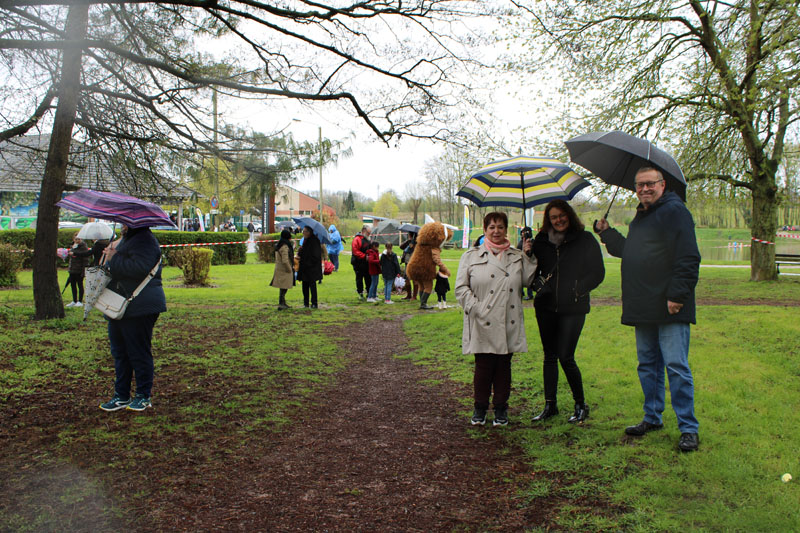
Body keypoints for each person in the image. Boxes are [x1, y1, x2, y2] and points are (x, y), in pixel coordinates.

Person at [594, 166, 701, 452]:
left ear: (663, 185)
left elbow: (688, 257)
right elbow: (632, 251)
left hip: (670, 304)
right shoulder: (642, 216)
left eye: (650, 184)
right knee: (648, 365)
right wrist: (607, 233)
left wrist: (677, 295)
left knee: (676, 366)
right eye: (640, 185)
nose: (644, 189)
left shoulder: (675, 212)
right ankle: (652, 417)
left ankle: (688, 428)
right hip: (643, 303)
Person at [455, 212, 536, 426]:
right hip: (481, 319)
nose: (496, 231)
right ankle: (480, 408)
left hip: (507, 318)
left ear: (506, 230)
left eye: (500, 227)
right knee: (483, 367)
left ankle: (501, 408)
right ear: (485, 230)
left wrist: (529, 256)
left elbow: (528, 281)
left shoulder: (516, 256)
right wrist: (477, 308)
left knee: (503, 367)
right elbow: (461, 288)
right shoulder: (471, 256)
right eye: (492, 227)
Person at [530, 200, 605, 424]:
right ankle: (550, 405)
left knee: (566, 356)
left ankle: (580, 404)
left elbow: (598, 272)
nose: (558, 220)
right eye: (553, 217)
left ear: (569, 215)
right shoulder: (541, 241)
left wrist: (578, 289)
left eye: (562, 215)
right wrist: (526, 252)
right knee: (549, 356)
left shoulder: (585, 240)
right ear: (548, 220)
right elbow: (529, 271)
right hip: (546, 306)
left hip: (573, 307)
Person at [99, 224, 166, 412]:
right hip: (121, 304)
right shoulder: (128, 239)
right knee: (120, 352)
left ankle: (143, 396)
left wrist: (114, 258)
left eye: (124, 221)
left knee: (138, 352)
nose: (122, 224)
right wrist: (108, 256)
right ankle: (121, 395)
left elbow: (139, 268)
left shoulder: (145, 240)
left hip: (140, 305)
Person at [296, 226, 323, 308]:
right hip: (305, 268)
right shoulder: (305, 240)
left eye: (304, 231)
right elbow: (304, 252)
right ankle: (306, 303)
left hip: (311, 268)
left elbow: (315, 255)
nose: (303, 233)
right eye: (303, 231)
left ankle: (314, 303)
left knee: (312, 285)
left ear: (309, 232)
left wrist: (308, 261)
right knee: (305, 286)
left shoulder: (314, 241)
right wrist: (300, 251)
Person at [270, 229, 295, 310]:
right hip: (284, 269)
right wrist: (289, 269)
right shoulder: (285, 246)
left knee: (283, 287)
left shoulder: (279, 244)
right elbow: (285, 260)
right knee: (284, 287)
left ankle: (282, 302)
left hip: (280, 268)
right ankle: (281, 303)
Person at [65, 235, 90, 307]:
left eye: (79, 239)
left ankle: (80, 301)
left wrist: (84, 270)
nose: (77, 241)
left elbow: (85, 258)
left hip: (79, 269)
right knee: (73, 285)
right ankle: (74, 300)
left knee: (80, 284)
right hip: (72, 269)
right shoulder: (73, 246)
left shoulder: (83, 247)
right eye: (76, 239)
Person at [351, 225, 372, 300]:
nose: (369, 234)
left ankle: (369, 293)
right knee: (359, 278)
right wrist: (364, 256)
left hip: (367, 263)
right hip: (358, 263)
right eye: (368, 233)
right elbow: (355, 251)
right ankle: (360, 293)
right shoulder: (357, 239)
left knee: (368, 278)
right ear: (364, 231)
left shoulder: (368, 239)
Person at [516, 226, 534, 300]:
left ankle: (530, 294)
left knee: (529, 278)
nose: (522, 234)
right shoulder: (521, 242)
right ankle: (521, 292)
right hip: (521, 262)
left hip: (529, 263)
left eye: (523, 232)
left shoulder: (531, 242)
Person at [399, 231, 418, 300]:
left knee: (415, 280)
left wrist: (413, 246)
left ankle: (414, 296)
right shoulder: (408, 242)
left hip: (414, 263)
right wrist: (408, 241)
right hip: (407, 263)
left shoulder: (417, 243)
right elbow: (401, 247)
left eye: (409, 234)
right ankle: (409, 295)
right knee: (407, 280)